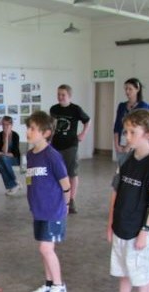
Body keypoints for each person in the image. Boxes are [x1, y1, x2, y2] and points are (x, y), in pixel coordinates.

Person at [97, 109, 149, 292]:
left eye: (132, 132)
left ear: (148, 133)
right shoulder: (126, 159)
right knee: (123, 269)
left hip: (139, 230)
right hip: (121, 226)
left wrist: (145, 231)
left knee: (141, 274)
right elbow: (116, 192)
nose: (127, 136)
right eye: (126, 131)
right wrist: (110, 224)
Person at [25, 111, 71, 292]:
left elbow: (66, 184)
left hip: (53, 210)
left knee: (46, 248)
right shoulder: (30, 155)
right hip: (39, 210)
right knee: (44, 249)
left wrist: (66, 205)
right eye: (28, 127)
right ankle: (49, 284)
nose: (28, 131)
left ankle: (59, 285)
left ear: (45, 132)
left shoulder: (52, 156)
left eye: (32, 129)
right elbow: (31, 181)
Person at [49, 84, 91, 214]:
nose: (60, 97)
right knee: (56, 173)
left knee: (71, 173)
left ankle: (71, 200)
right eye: (58, 94)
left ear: (69, 96)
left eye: (63, 95)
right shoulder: (54, 109)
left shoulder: (76, 109)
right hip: (56, 145)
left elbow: (87, 120)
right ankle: (58, 197)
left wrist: (83, 133)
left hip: (70, 145)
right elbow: (51, 126)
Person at [113, 78, 149, 164]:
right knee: (122, 171)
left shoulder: (144, 107)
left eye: (130, 89)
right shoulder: (122, 106)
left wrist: (128, 146)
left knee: (133, 172)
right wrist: (116, 145)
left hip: (136, 146)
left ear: (137, 89)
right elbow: (117, 126)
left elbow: (142, 130)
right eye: (125, 89)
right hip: (121, 145)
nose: (127, 91)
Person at [0, 116, 21, 195]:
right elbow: (4, 151)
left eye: (7, 125)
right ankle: (13, 185)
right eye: (3, 124)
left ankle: (14, 183)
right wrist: (5, 137)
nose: (4, 126)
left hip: (15, 159)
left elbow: (14, 153)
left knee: (2, 159)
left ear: (11, 125)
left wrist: (6, 137)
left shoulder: (15, 135)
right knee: (0, 161)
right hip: (4, 159)